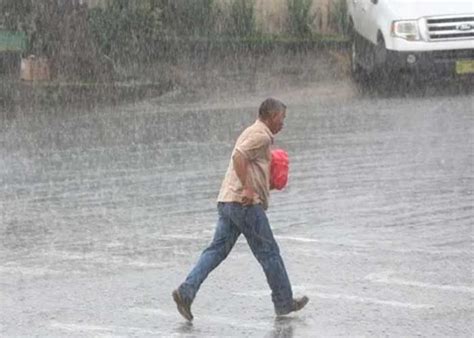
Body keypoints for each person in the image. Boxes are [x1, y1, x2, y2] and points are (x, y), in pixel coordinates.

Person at [172, 98, 309, 321]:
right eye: (282, 118)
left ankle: (186, 292)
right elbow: (239, 156)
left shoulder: (252, 131)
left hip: (228, 201)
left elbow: (247, 162)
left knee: (216, 251)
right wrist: (247, 188)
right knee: (269, 253)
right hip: (244, 205)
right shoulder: (261, 135)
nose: (283, 124)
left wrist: (265, 184)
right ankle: (284, 302)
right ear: (272, 116)